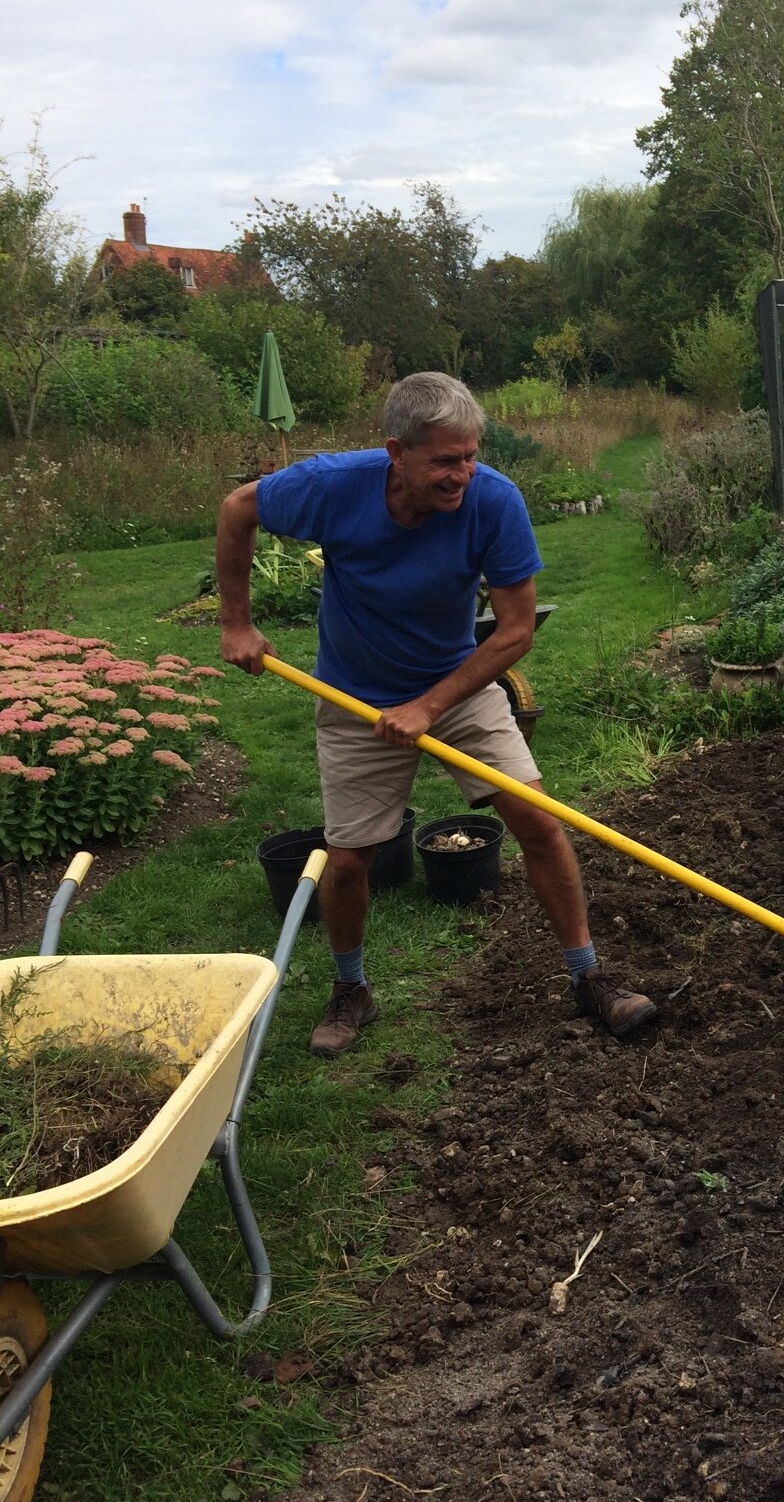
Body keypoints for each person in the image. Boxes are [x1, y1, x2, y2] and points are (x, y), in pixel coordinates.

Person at [217, 370, 657, 1057]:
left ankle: (589, 977)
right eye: (446, 460)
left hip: (457, 688)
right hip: (355, 697)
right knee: (350, 861)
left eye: (470, 456)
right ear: (397, 453)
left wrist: (428, 705)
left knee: (540, 824)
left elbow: (515, 631)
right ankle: (351, 989)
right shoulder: (332, 486)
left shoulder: (494, 501)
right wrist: (237, 622)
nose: (462, 475)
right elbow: (237, 508)